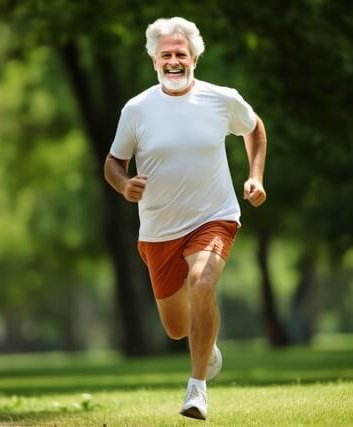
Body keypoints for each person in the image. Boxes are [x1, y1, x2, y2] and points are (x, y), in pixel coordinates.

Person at [104, 16, 267, 421]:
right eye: (166, 55)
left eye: (181, 53)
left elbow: (255, 128)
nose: (173, 60)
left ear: (194, 57)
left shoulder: (221, 98)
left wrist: (255, 176)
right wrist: (125, 186)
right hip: (159, 229)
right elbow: (113, 162)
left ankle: (197, 390)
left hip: (215, 216)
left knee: (203, 280)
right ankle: (203, 343)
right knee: (177, 328)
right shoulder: (137, 109)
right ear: (154, 62)